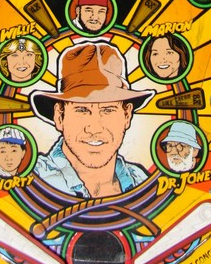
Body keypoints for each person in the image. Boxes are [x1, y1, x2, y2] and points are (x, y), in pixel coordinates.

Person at [31, 42, 153, 198]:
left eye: (108, 110)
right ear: (59, 116)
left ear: (127, 115)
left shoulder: (141, 181)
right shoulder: (32, 179)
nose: (94, 128)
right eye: (82, 110)